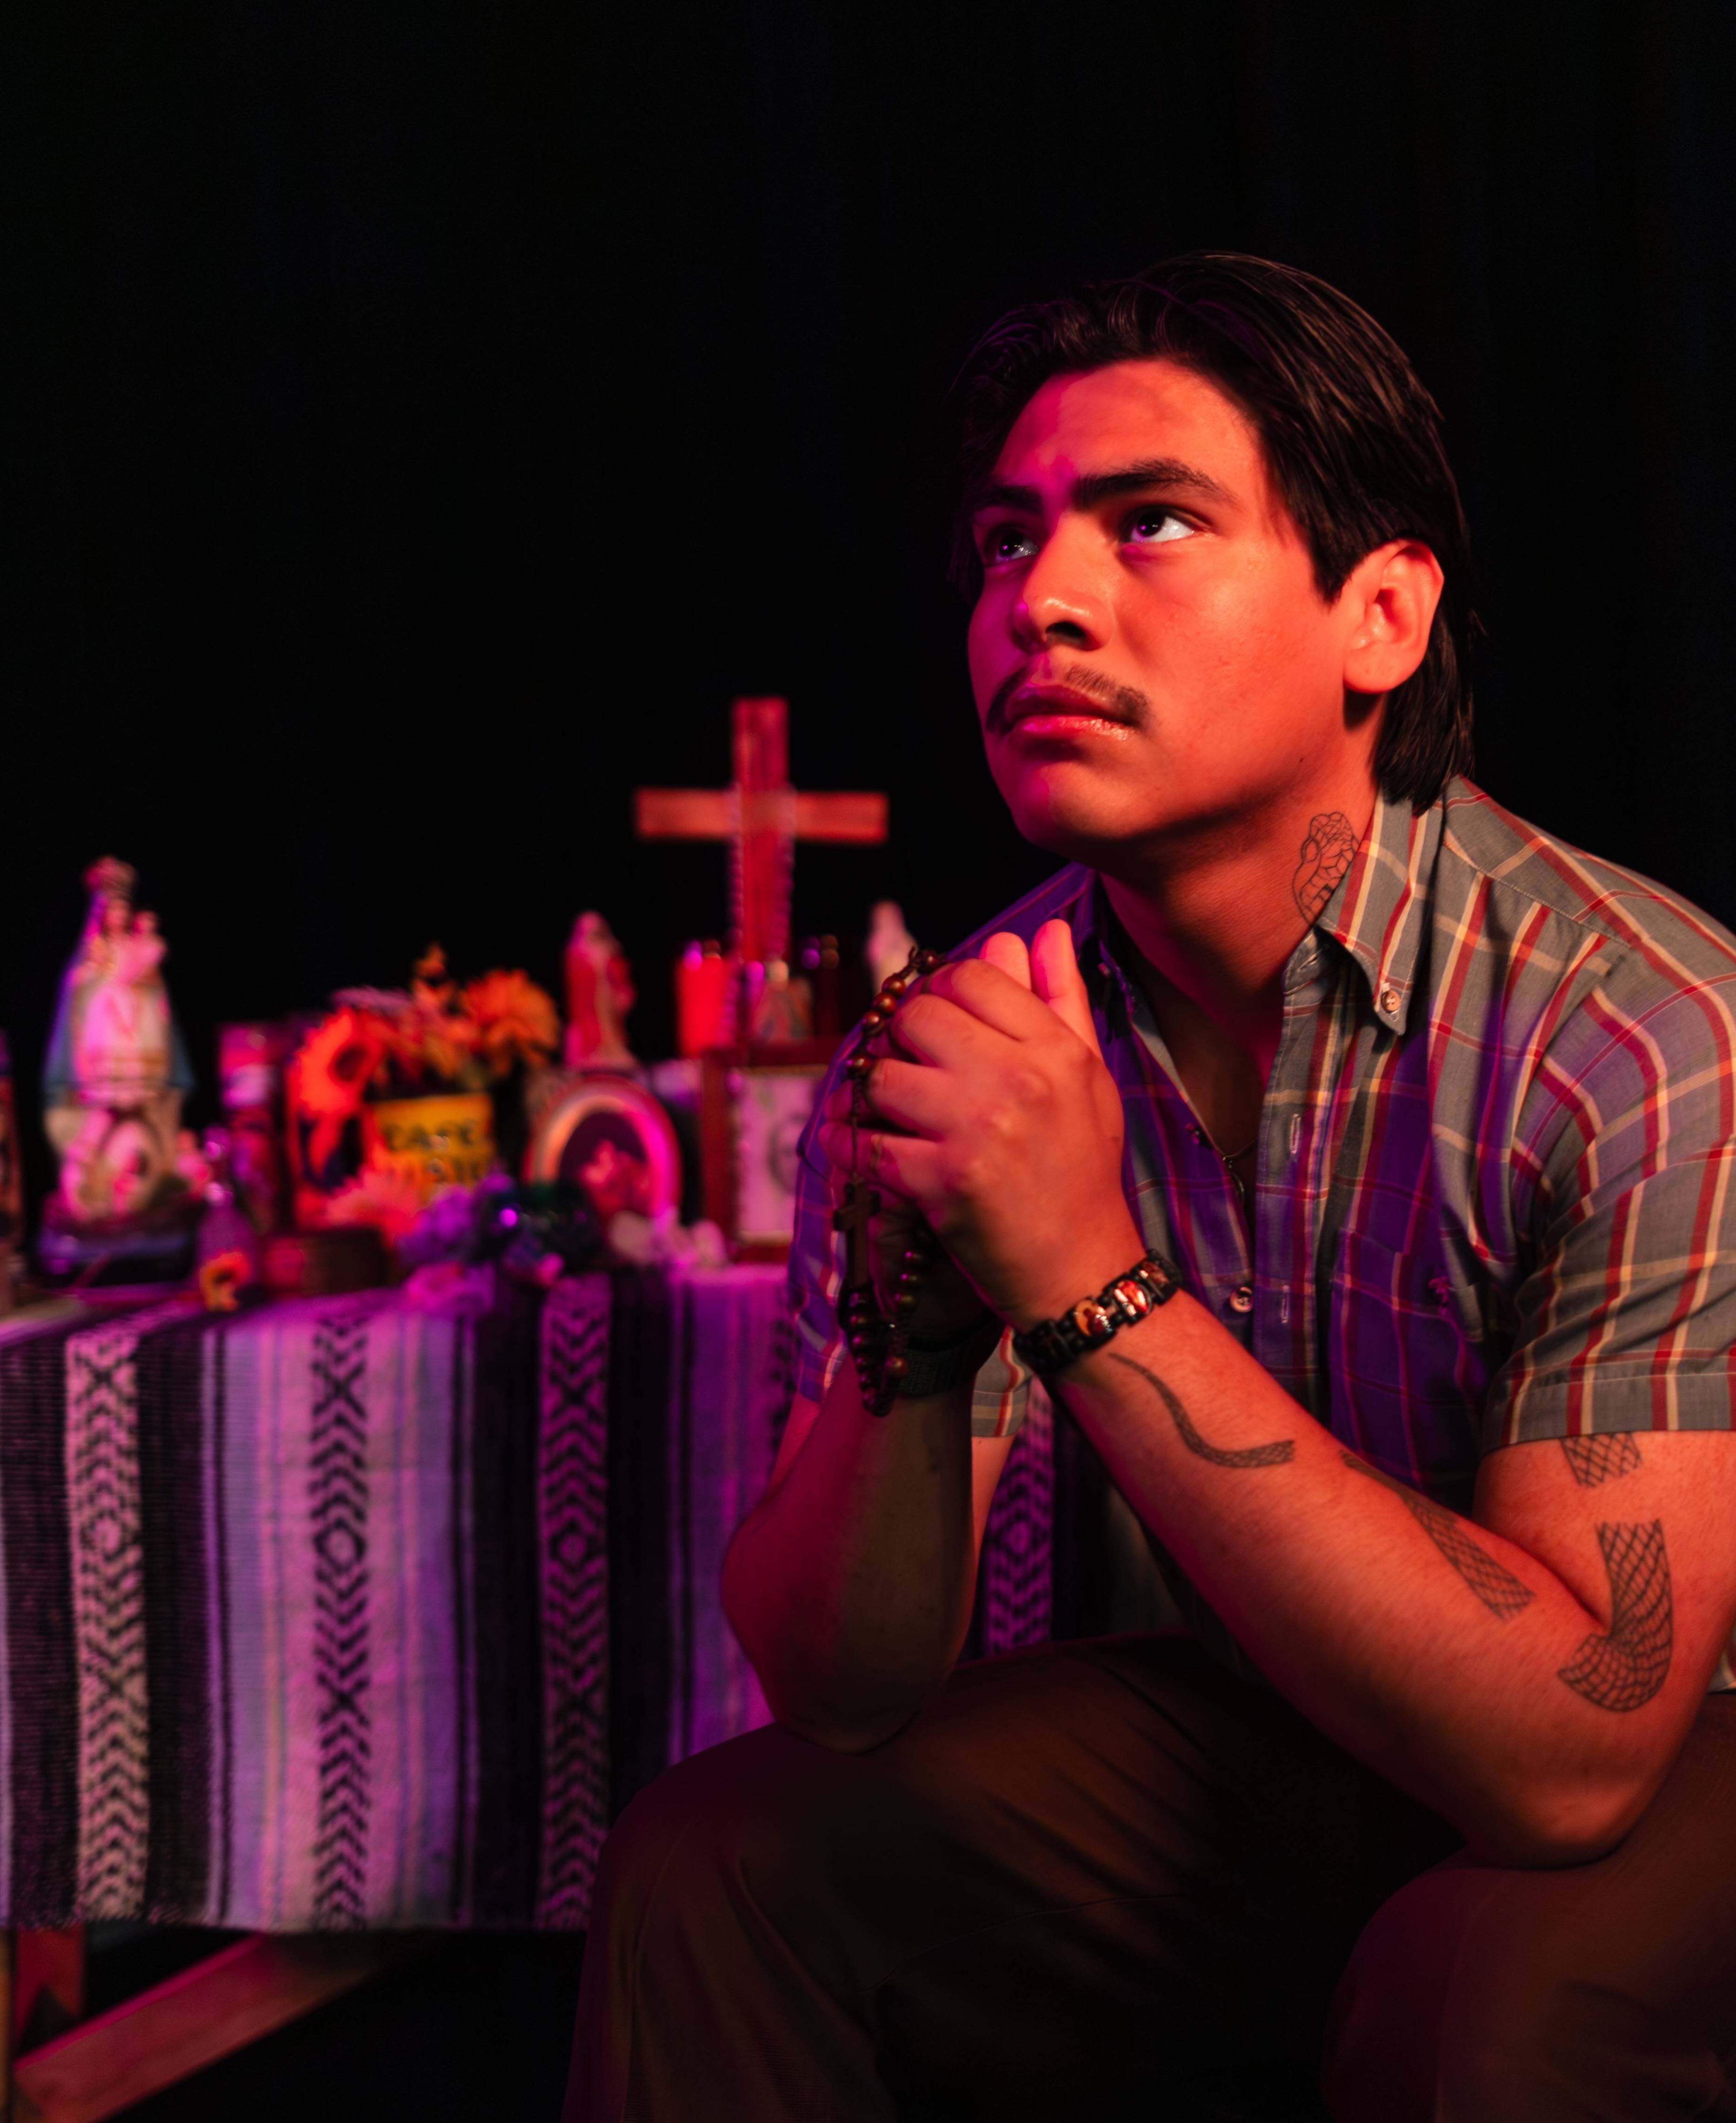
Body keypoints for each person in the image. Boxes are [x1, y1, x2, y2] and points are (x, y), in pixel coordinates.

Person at [565, 254, 1736, 2121]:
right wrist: (921, 1317)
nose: (1039, 601)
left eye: (1151, 523)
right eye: (1005, 541)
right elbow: (840, 1682)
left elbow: (1574, 1757)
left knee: (1480, 2001)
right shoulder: (972, 1036)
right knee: (726, 1859)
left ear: (1378, 616)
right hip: (1289, 1723)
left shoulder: (1642, 1032)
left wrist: (1092, 1282)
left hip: (1682, 1756)